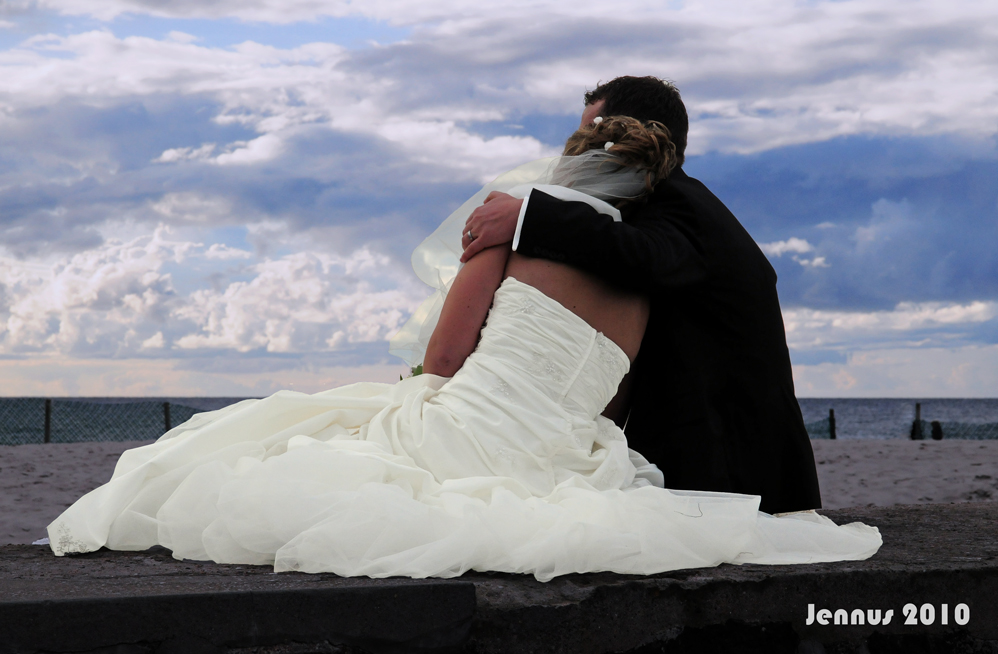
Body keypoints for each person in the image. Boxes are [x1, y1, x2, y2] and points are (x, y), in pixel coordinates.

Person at [46, 115, 879, 582]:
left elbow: (444, 359)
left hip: (470, 423)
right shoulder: (649, 282)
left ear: (571, 170)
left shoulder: (508, 234)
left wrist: (422, 381)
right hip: (564, 449)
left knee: (280, 442)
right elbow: (611, 399)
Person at [461, 76, 821, 514]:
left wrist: (528, 214)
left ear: (633, 132)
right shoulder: (677, 202)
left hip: (731, 459)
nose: (582, 146)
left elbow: (644, 255)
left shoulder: (678, 203)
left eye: (595, 132)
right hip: (721, 445)